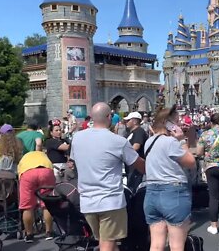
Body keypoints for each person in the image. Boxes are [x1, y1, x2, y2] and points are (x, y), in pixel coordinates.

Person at [71, 102, 145, 251]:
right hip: (110, 201)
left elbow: (74, 161)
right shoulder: (118, 141)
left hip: (87, 202)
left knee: (108, 243)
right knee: (107, 245)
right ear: (109, 117)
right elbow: (139, 165)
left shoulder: (77, 138)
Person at [143, 107, 196, 251]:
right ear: (168, 123)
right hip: (173, 193)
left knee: (156, 244)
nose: (179, 125)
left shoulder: (149, 142)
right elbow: (191, 162)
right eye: (176, 121)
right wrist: (182, 140)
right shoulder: (171, 143)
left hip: (152, 193)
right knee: (176, 245)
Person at [196, 113, 219, 235]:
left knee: (214, 196)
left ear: (211, 122)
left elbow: (199, 152)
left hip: (211, 167)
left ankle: (213, 225)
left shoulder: (205, 135)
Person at [17, 151, 56, 243]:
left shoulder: (24, 158)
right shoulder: (43, 155)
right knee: (47, 203)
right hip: (46, 171)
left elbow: (19, 175)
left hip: (27, 172)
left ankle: (29, 234)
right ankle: (49, 232)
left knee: (27, 207)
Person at [124, 111, 148, 191]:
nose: (126, 122)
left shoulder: (139, 131)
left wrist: (123, 154)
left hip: (136, 167)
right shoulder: (129, 133)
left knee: (134, 188)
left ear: (134, 121)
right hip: (130, 166)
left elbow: (136, 146)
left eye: (128, 120)